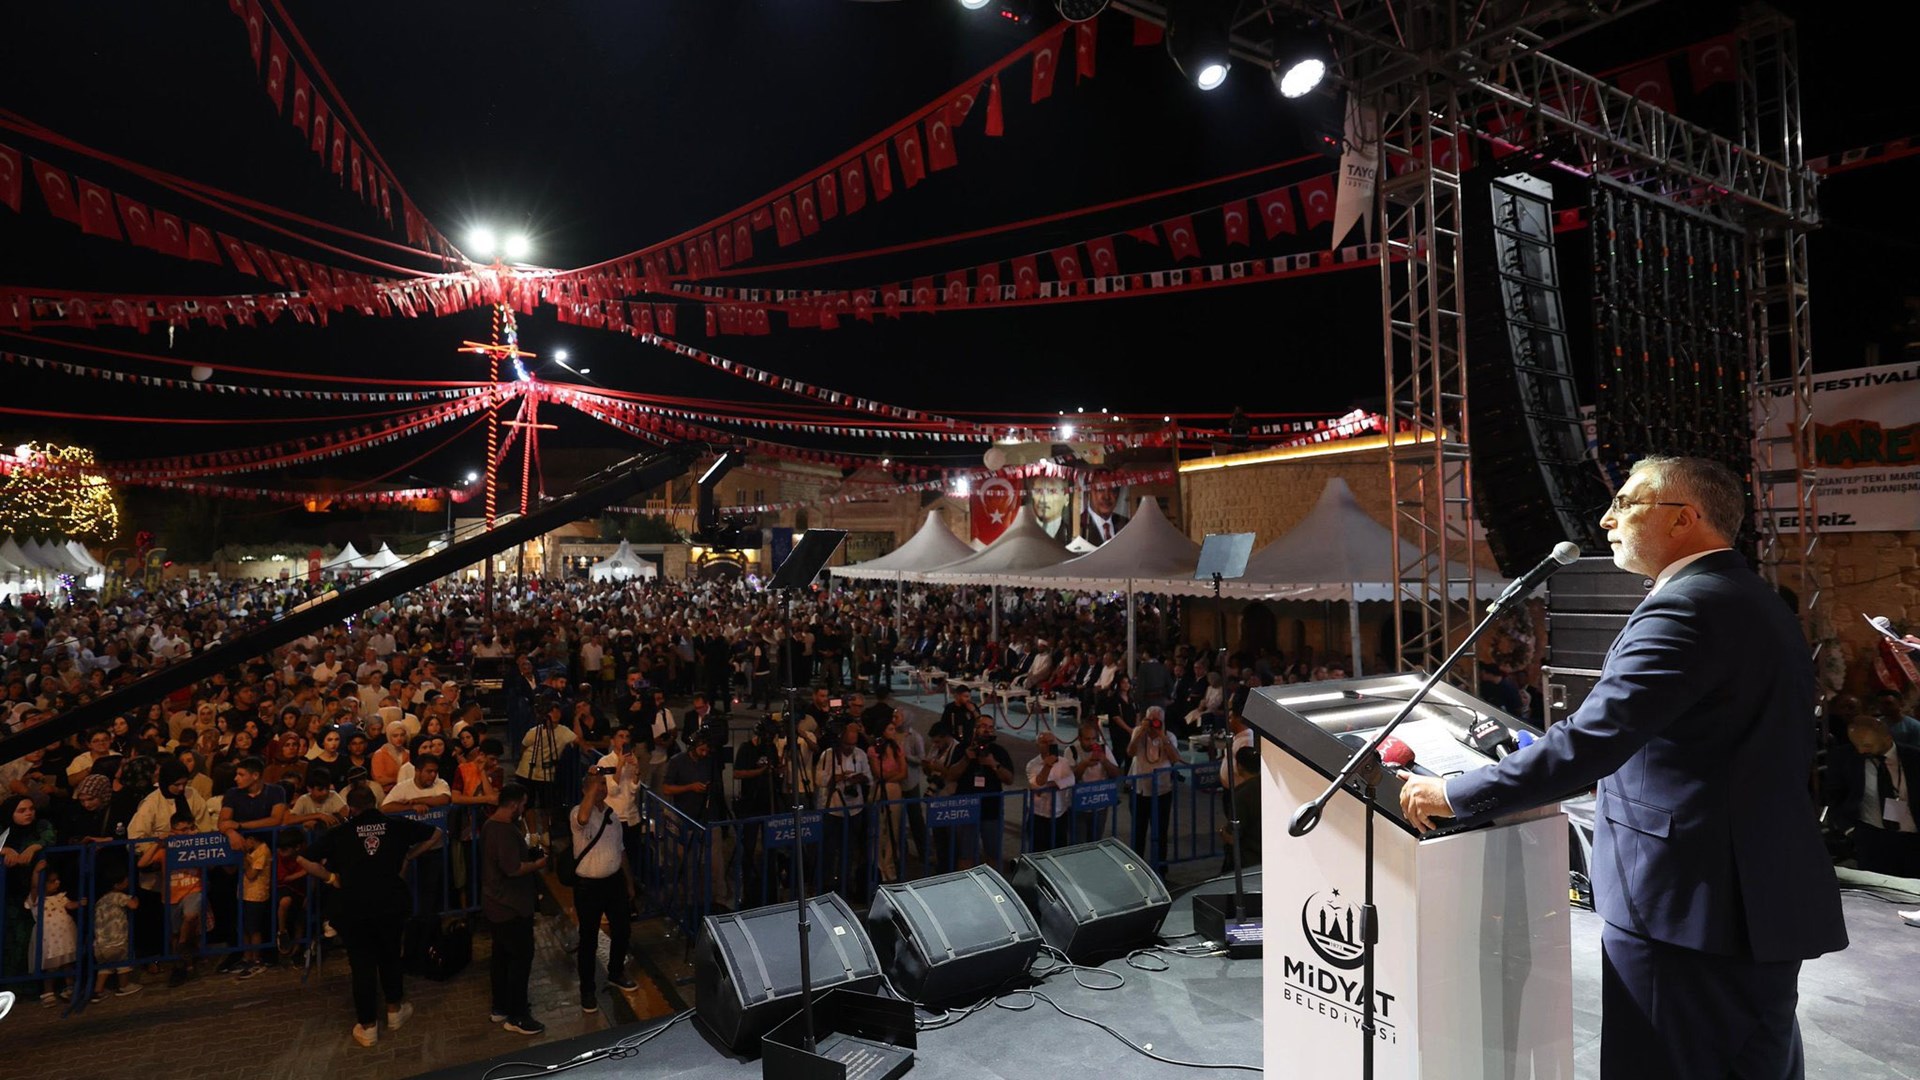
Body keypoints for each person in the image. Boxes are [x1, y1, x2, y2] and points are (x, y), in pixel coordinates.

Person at [1399, 455, 1847, 1080]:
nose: (1607, 518)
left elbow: (1593, 743)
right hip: (1750, 897)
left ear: (1685, 519)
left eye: (1628, 503)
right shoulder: (1751, 598)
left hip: (1688, 905)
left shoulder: (1686, 608)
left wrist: (1456, 792)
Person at [298, 783, 441, 1047]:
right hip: (390, 902)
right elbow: (435, 833)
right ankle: (394, 1009)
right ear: (374, 802)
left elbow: (304, 860)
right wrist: (409, 857)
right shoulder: (395, 825)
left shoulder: (340, 832)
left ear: (351, 808)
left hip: (354, 906)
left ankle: (368, 1025)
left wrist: (331, 878)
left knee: (361, 964)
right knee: (389, 955)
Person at [569, 772, 639, 1015]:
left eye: (602, 785)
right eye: (596, 785)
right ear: (585, 790)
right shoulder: (578, 813)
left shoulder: (612, 815)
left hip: (614, 883)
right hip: (588, 887)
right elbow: (584, 817)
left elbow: (621, 851)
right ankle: (587, 989)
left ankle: (616, 971)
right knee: (588, 939)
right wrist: (590, 789)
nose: (601, 788)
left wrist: (629, 883)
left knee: (622, 929)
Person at [481, 782, 547, 1036]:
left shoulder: (489, 825)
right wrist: (538, 863)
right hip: (511, 906)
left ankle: (501, 1006)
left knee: (501, 958)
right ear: (514, 803)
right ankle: (518, 1015)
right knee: (520, 960)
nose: (524, 808)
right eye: (523, 804)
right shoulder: (505, 830)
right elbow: (513, 868)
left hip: (496, 904)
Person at [1823, 715, 1920, 878]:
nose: (1861, 750)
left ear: (1887, 738)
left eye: (1867, 745)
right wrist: (1850, 830)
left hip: (1913, 840)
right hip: (1872, 839)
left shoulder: (1914, 758)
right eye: (1856, 745)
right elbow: (1833, 796)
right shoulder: (1844, 758)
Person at [1126, 707, 1180, 875]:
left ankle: (1160, 866)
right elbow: (1130, 752)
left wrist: (1162, 736)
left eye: (1158, 721)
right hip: (1140, 791)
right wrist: (1142, 730)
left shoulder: (1169, 737)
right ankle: (1137, 865)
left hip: (1162, 792)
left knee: (1160, 831)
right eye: (1151, 720)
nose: (1154, 724)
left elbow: (1175, 758)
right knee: (1138, 830)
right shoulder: (1138, 732)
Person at [1026, 732, 1075, 853]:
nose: (1048, 745)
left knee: (1059, 850)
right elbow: (1037, 785)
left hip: (1060, 813)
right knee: (1038, 851)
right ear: (1038, 745)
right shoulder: (1032, 765)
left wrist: (1052, 784)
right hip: (1038, 815)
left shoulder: (1063, 762)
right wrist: (1047, 766)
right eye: (1044, 742)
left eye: (1051, 742)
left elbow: (1071, 779)